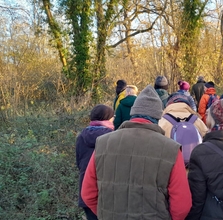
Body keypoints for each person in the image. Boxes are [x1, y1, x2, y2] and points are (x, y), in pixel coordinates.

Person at [81, 85, 192, 220]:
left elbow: (88, 194)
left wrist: (106, 214)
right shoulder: (171, 149)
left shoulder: (103, 143)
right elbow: (182, 205)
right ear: (158, 117)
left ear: (133, 113)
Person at [76, 104, 115, 220]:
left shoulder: (81, 136)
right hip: (107, 190)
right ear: (108, 118)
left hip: (86, 188)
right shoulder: (114, 137)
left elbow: (79, 162)